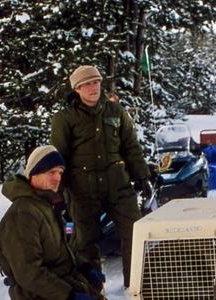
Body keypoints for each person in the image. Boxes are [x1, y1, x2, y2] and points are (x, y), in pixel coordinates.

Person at [0, 145, 122, 300]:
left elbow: (65, 249)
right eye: (51, 172)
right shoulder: (23, 214)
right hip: (35, 295)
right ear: (34, 173)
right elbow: (30, 275)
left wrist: (86, 269)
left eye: (60, 173)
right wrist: (70, 297)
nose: (57, 178)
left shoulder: (48, 205)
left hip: (62, 282)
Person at [50, 65, 151, 288]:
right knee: (85, 243)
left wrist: (142, 176)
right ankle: (92, 292)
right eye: (86, 84)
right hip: (82, 189)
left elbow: (131, 146)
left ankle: (136, 286)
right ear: (77, 89)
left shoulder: (116, 112)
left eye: (95, 82)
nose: (93, 87)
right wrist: (58, 192)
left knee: (136, 233)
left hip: (118, 185)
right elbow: (59, 158)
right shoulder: (64, 118)